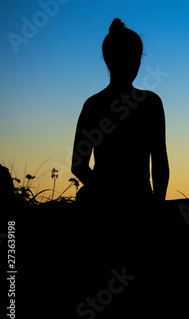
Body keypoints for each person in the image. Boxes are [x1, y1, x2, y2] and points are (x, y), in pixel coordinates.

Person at [72, 18, 169, 205]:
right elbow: (160, 162)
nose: (134, 64)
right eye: (132, 58)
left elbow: (79, 166)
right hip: (137, 199)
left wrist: (103, 192)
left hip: (101, 200)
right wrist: (157, 204)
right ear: (110, 59)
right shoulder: (150, 102)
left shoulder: (93, 104)